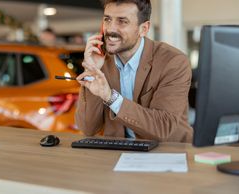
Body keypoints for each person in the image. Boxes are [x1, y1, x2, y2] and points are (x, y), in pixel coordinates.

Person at [75, 0, 193, 142]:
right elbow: (88, 128)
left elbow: (163, 127)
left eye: (122, 21)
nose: (111, 29)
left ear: (143, 29)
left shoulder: (173, 62)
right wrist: (92, 69)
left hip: (167, 152)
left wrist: (110, 97)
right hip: (119, 152)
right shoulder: (101, 61)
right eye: (107, 19)